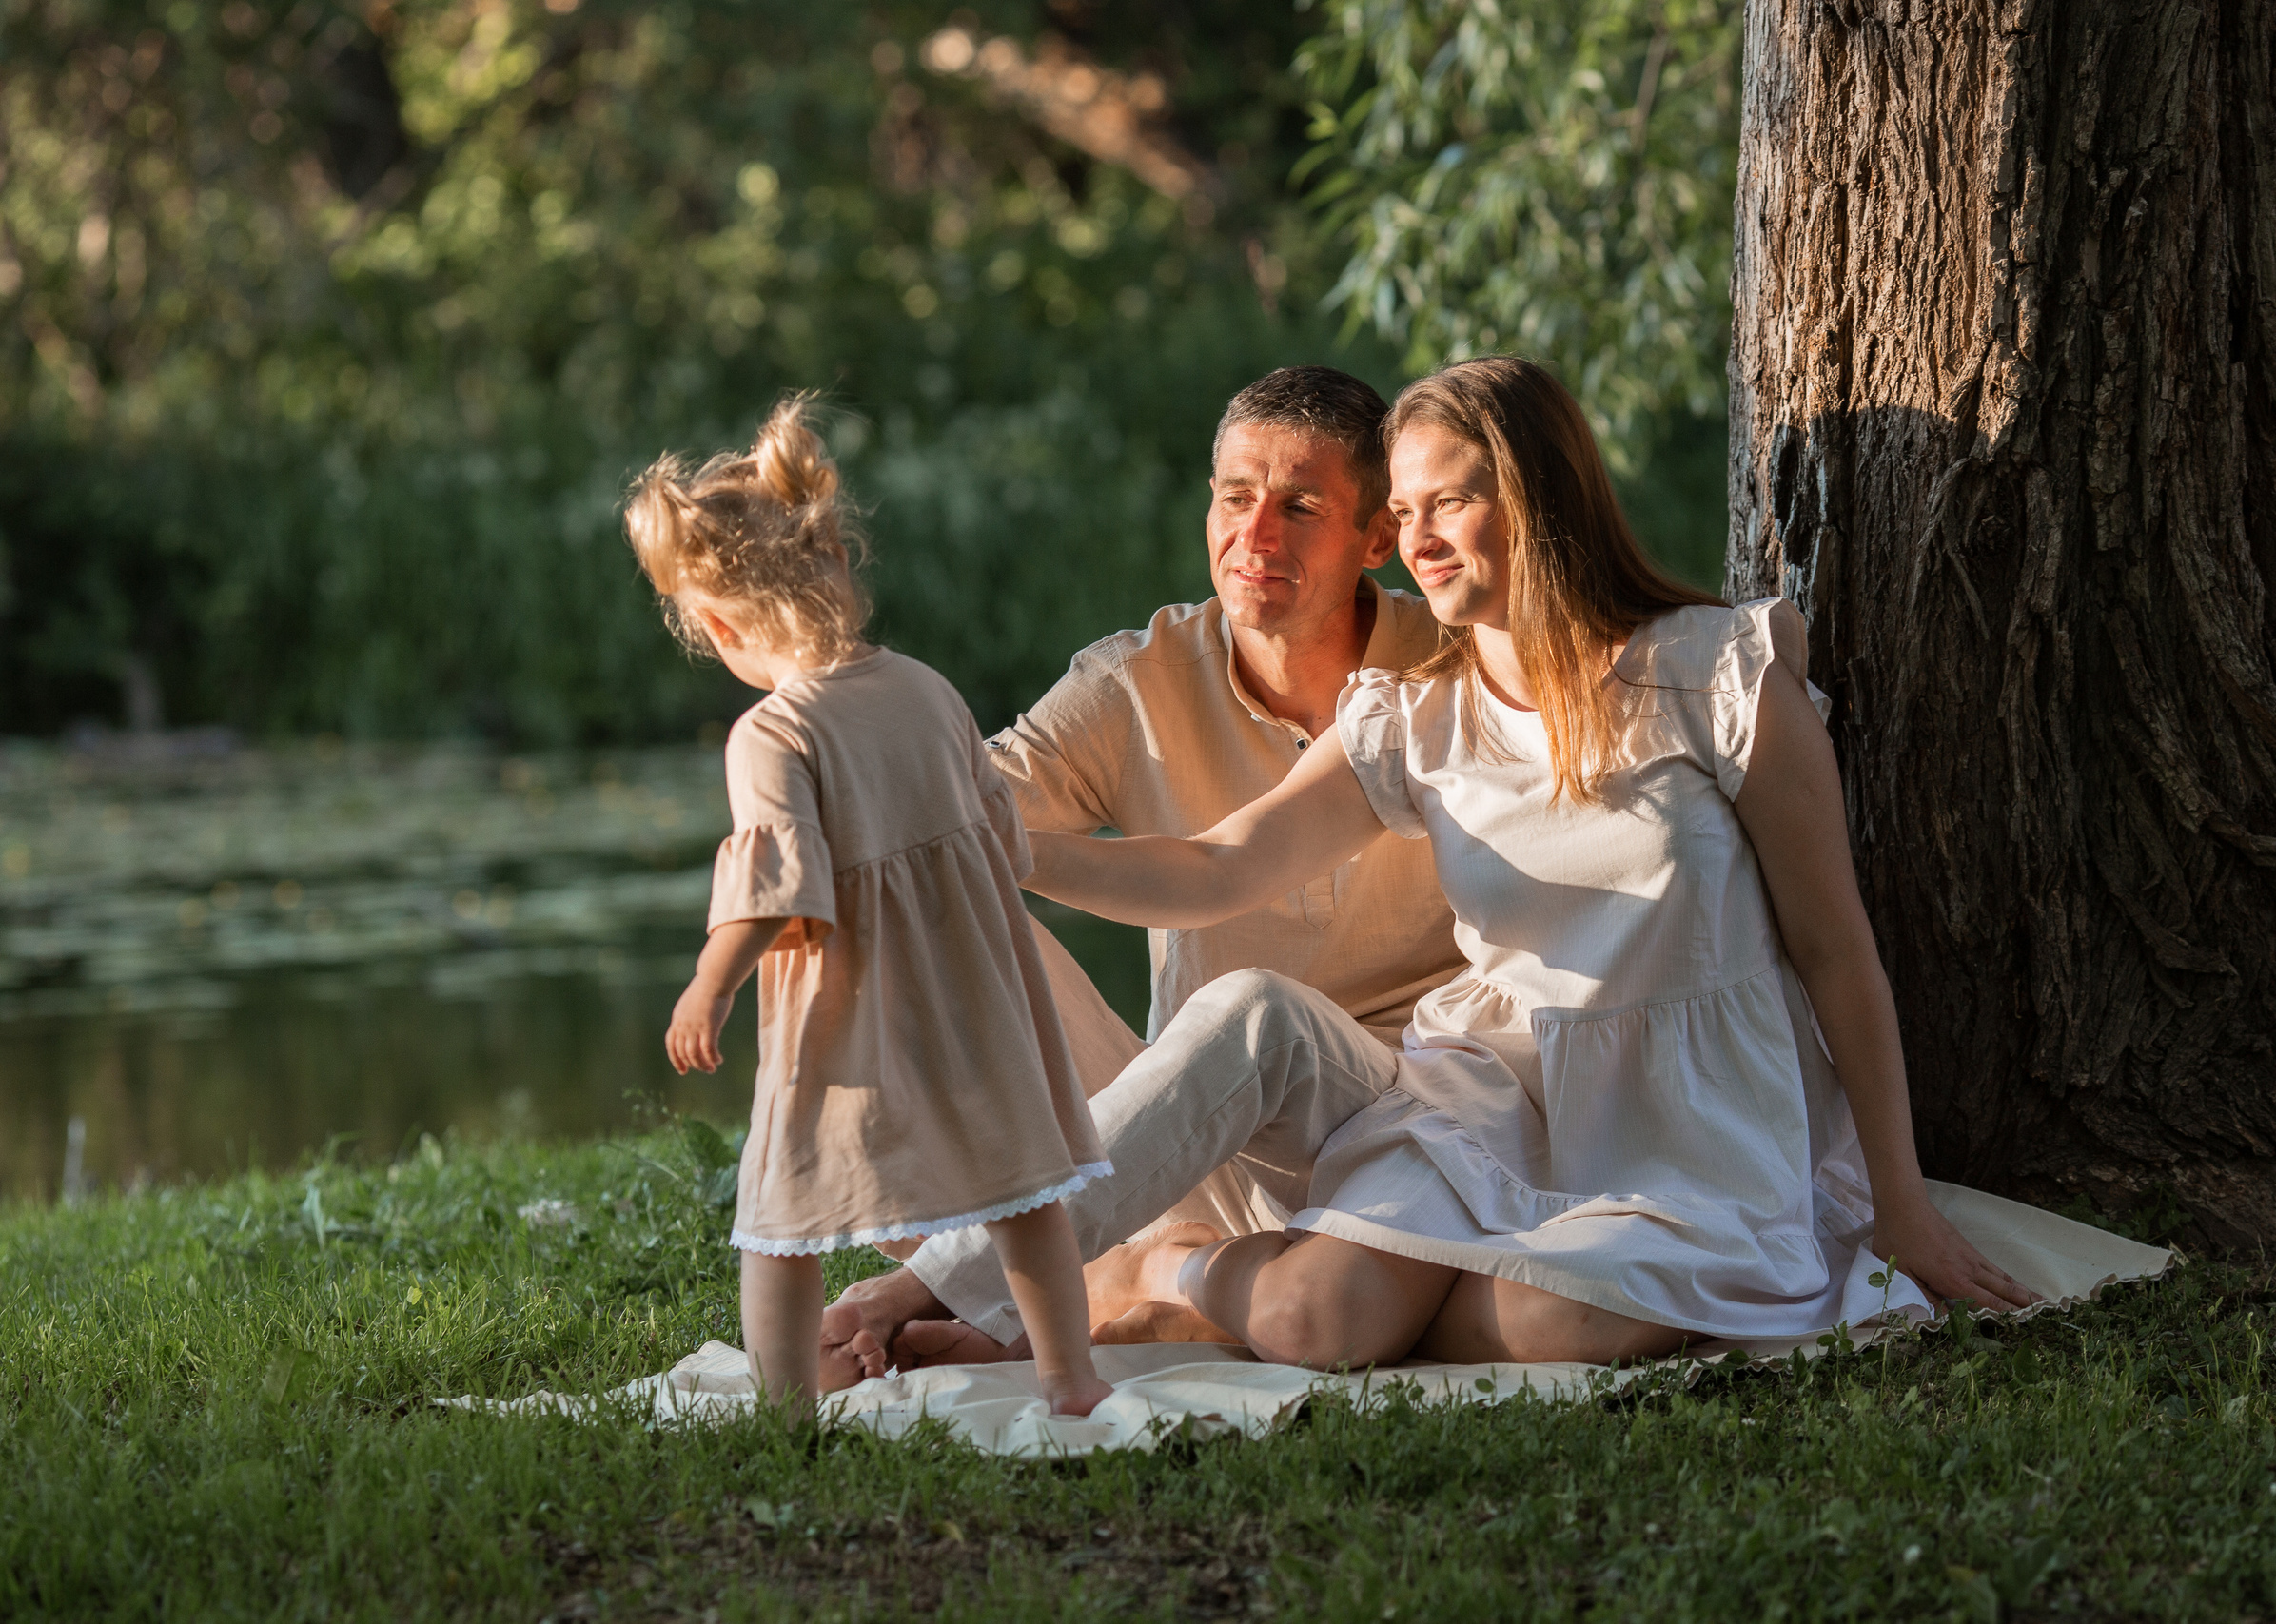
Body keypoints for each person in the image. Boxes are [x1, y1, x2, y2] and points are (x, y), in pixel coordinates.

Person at [1014, 356, 2038, 1367]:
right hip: (1490, 1100)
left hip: (1693, 1127)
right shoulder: (1415, 716)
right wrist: (1011, 844)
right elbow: (1216, 868)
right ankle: (1161, 1272)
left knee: (1560, 1321)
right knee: (1310, 1322)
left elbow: (1833, 950)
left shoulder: (1715, 675)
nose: (1415, 542)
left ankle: (1390, 1283)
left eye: (1447, 503)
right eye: (1404, 512)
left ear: (1539, 498)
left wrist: (1898, 1204)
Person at [822, 366, 1468, 1368]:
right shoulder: (1137, 680)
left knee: (1257, 1011)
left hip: (1402, 1125)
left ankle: (1037, 1286)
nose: (1253, 540)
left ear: (1377, 536)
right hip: (1188, 1137)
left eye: (1299, 507)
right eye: (1234, 497)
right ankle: (1145, 1266)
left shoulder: (1454, 664)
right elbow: (943, 820)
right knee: (921, 925)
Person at [628, 396, 1113, 1414]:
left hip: (846, 1024)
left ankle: (782, 1411)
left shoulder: (771, 734)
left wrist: (708, 987)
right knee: (1023, 1190)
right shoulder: (932, 690)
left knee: (781, 1215)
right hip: (976, 997)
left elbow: (778, 883)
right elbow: (1005, 840)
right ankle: (1070, 1379)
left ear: (717, 625)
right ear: (839, 562)